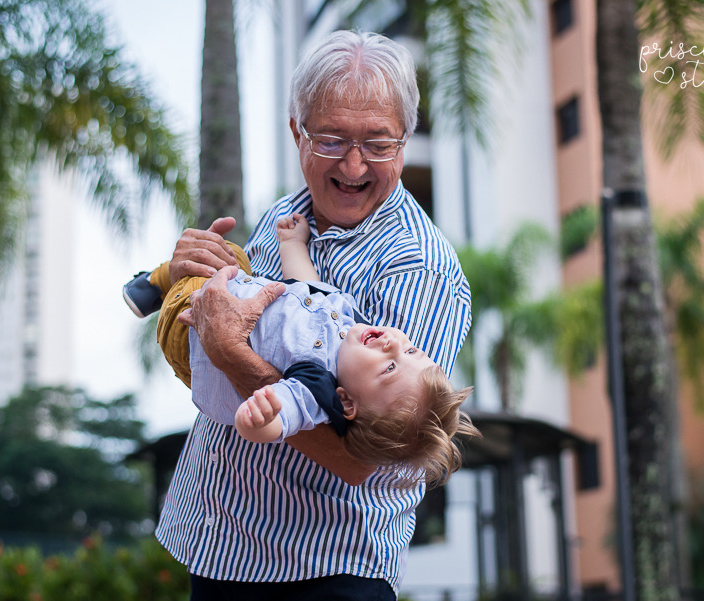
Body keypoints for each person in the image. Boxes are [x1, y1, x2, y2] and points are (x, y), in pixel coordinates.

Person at [125, 30, 472, 600]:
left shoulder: (417, 270)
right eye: (332, 139)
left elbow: (371, 464)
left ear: (405, 141)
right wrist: (192, 273)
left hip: (321, 572)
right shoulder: (287, 216)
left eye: (379, 144)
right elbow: (237, 329)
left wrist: (232, 357)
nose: (355, 165)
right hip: (221, 545)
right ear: (297, 131)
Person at [130, 214, 476, 486]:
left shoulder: (316, 386)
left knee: (203, 268)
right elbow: (305, 281)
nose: (393, 345)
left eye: (388, 368)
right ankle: (152, 285)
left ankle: (156, 285)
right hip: (226, 295)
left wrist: (259, 421)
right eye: (410, 350)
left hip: (191, 332)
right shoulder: (346, 319)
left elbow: (284, 416)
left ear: (346, 402)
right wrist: (293, 242)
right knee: (225, 253)